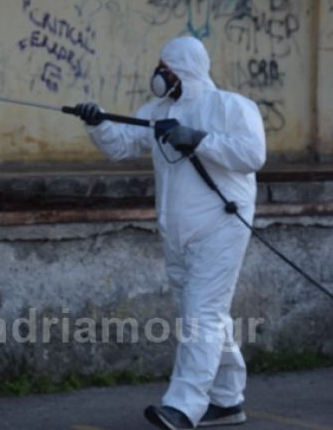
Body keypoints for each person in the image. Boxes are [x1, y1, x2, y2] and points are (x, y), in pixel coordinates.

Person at [72, 36, 266, 429]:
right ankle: (227, 400)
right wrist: (98, 122)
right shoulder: (158, 111)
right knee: (205, 314)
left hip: (221, 226)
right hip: (178, 231)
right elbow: (121, 146)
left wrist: (199, 139)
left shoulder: (230, 106)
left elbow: (252, 154)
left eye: (166, 66)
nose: (160, 73)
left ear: (184, 68)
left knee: (201, 314)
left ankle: (183, 407)